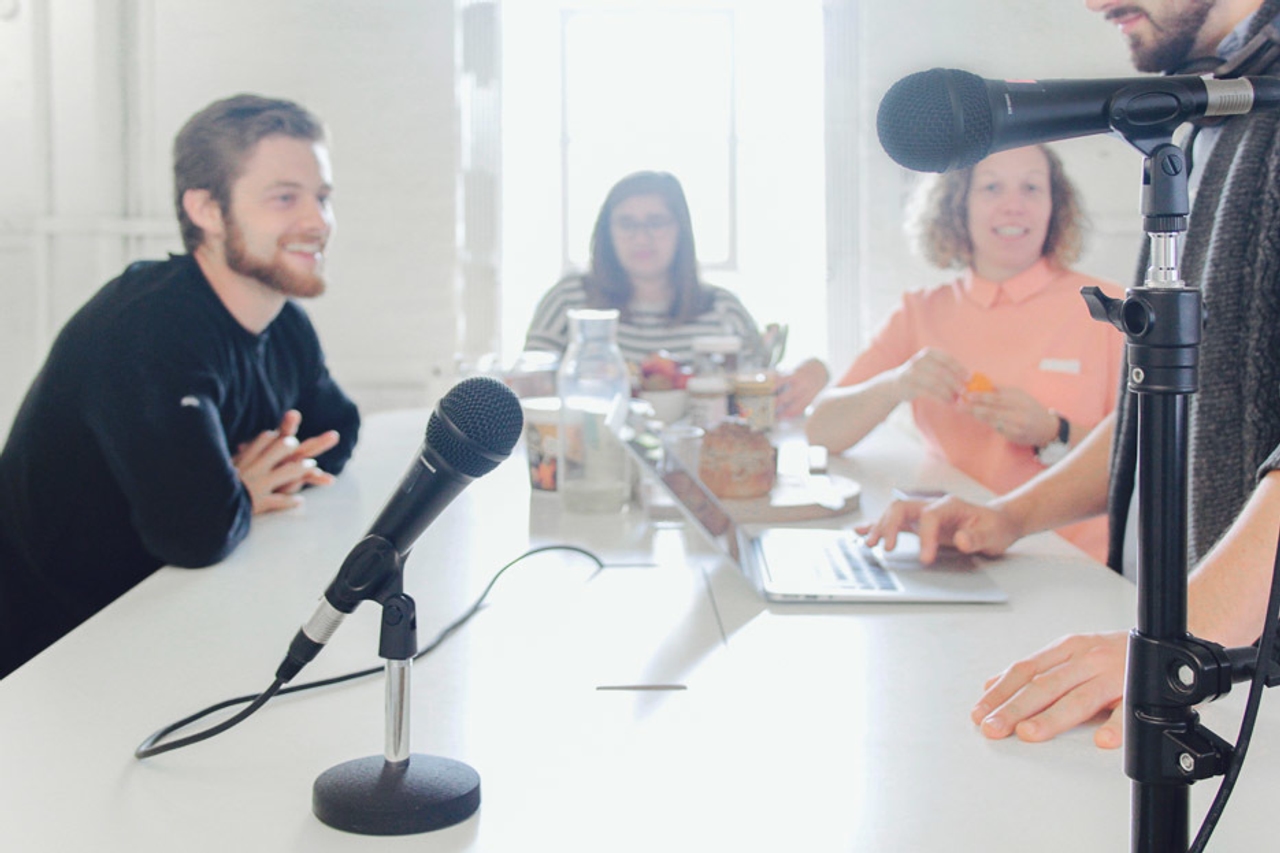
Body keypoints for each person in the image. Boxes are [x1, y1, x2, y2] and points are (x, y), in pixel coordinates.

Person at [859, 0, 1280, 749]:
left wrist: (1177, 647)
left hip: (1228, 666)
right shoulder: (1223, 108)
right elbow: (1170, 406)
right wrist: (1009, 516)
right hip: (1211, 662)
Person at [0, 94, 361, 679]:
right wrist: (237, 489)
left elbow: (337, 432)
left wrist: (241, 482)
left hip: (154, 623)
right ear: (207, 210)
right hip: (46, 656)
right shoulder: (147, 328)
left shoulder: (282, 320)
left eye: (322, 197)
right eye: (284, 197)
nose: (317, 222)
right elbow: (196, 531)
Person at [806, 144, 1123, 561]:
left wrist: (1053, 432)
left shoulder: (1109, 309)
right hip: (951, 547)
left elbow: (1144, 457)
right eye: (991, 188)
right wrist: (897, 384)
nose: (1013, 206)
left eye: (1031, 188)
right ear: (958, 206)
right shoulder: (920, 312)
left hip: (1073, 562)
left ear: (1054, 205)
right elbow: (820, 431)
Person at [523, 170, 829, 419]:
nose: (642, 237)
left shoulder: (722, 309)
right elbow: (528, 385)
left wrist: (814, 372)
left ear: (681, 231)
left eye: (656, 222)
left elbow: (766, 386)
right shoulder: (568, 301)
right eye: (627, 224)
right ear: (607, 233)